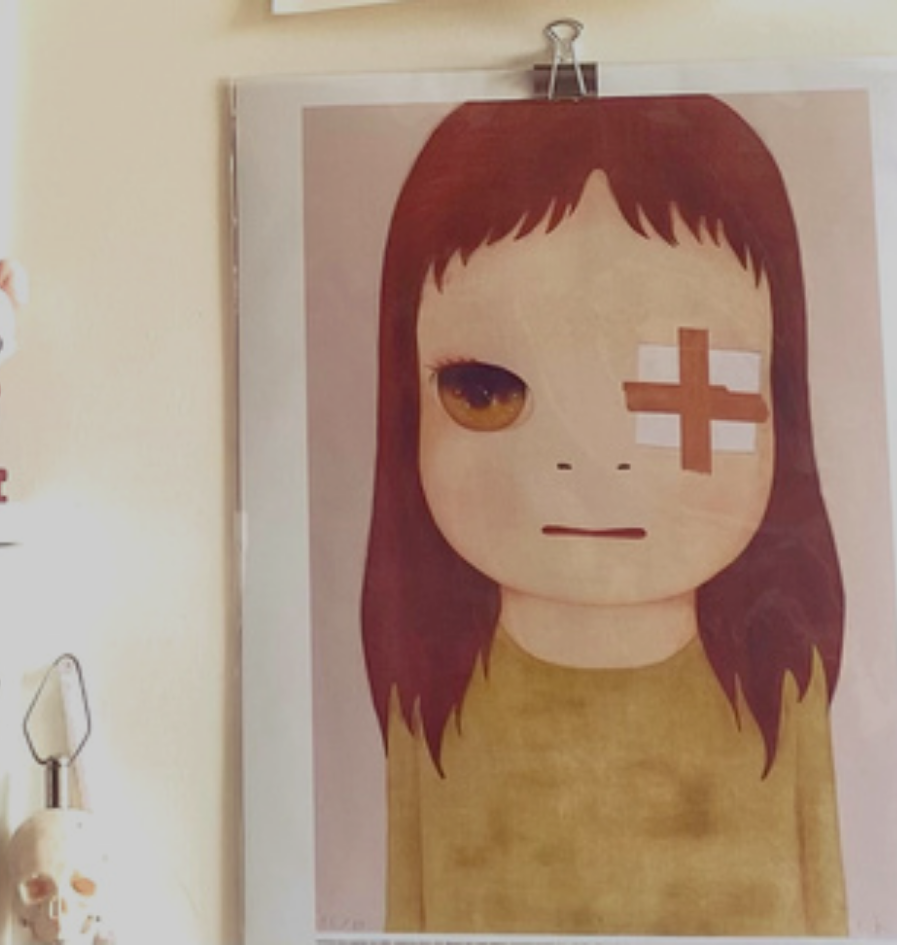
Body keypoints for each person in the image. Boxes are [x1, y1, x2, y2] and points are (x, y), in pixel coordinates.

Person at [362, 95, 847, 935]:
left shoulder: (781, 689)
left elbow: (827, 910)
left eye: (680, 381)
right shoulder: (431, 701)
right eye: (485, 389)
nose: (589, 459)